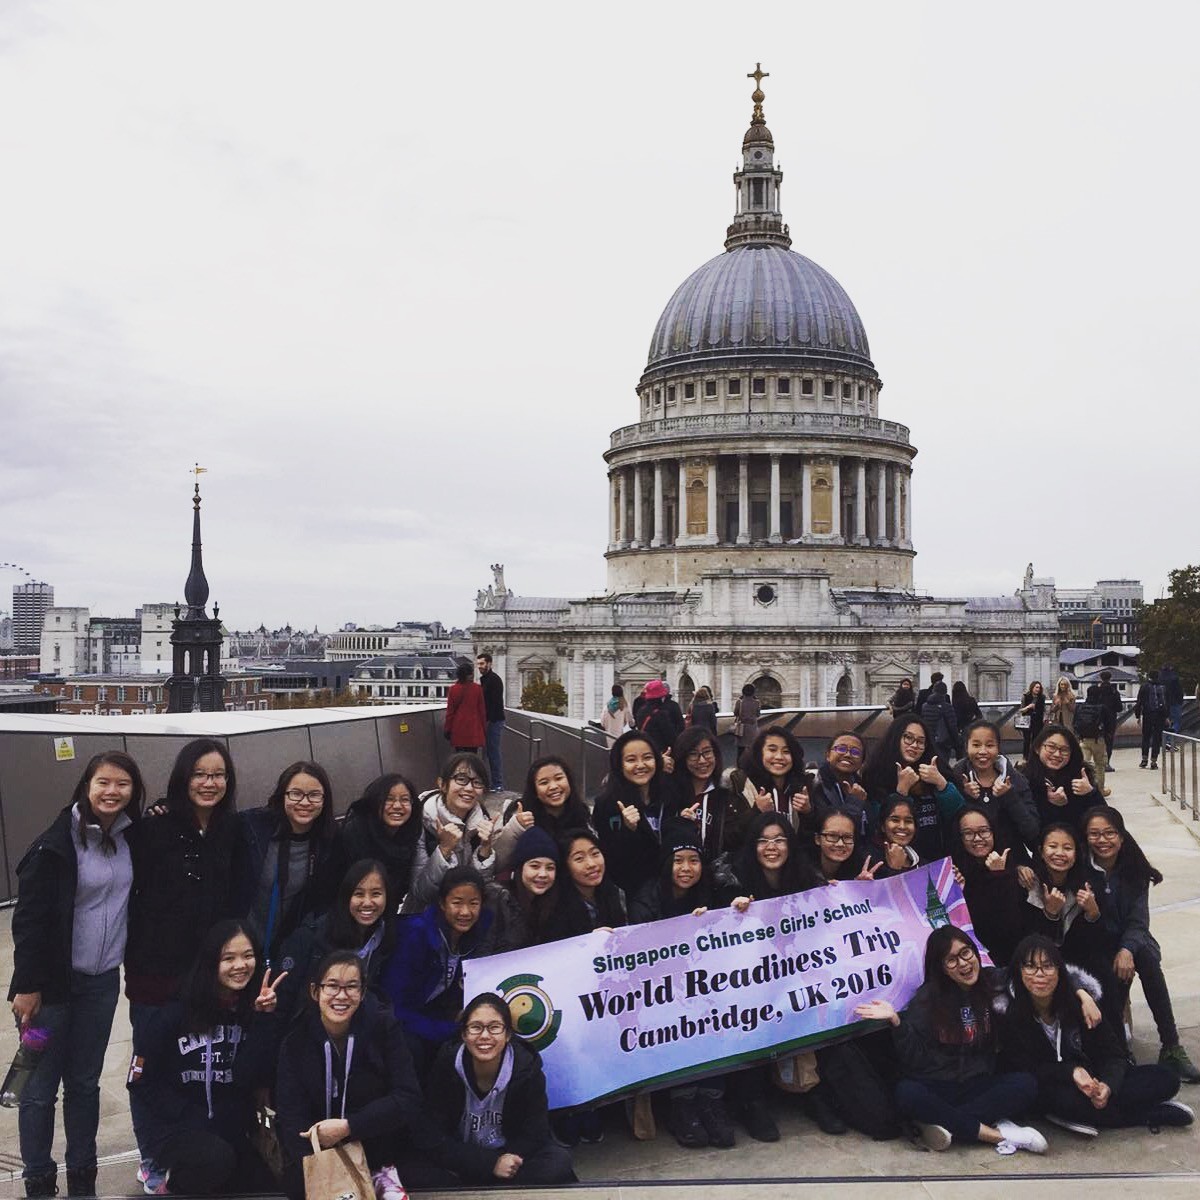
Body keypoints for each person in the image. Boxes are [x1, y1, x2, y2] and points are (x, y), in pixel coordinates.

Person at [9, 752, 145, 1199]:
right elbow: (28, 921)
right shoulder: (56, 843)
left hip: (100, 984)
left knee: (84, 1084)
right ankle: (38, 1181)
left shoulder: (129, 838)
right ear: (86, 786)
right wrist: (27, 987)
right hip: (49, 989)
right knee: (37, 1089)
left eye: (122, 784)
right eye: (103, 782)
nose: (112, 792)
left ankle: (82, 1180)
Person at [125, 739, 240, 1194]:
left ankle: (191, 1139)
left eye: (218, 775)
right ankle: (153, 1153)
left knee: (196, 1057)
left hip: (208, 972)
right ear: (183, 778)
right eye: (200, 774)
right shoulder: (154, 828)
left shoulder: (233, 829)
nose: (209, 783)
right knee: (149, 1065)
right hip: (155, 971)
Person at [854, 926, 1045, 1154]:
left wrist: (1082, 992)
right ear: (941, 967)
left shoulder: (993, 982)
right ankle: (996, 1135)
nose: (963, 964)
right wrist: (896, 1022)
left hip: (978, 1083)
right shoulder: (926, 1001)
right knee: (907, 1094)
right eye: (951, 960)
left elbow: (1036, 977)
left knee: (1026, 1085)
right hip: (937, 1085)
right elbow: (914, 1060)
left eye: (966, 953)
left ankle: (941, 1124)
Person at [127, 921, 282, 1196]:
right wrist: (185, 1113)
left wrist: (264, 1019)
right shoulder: (175, 1011)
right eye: (229, 958)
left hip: (227, 1128)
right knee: (215, 1160)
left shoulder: (250, 1009)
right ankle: (169, 1188)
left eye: (248, 956)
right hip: (175, 1128)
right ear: (212, 962)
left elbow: (249, 1076)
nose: (240, 965)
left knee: (270, 1188)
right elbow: (139, 1080)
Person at [276, 950, 432, 1200]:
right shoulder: (296, 1042)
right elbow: (290, 1115)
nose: (341, 995)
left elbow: (408, 1098)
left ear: (362, 993)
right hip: (318, 1159)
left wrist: (350, 1127)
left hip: (377, 1155)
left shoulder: (384, 1029)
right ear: (316, 992)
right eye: (332, 986)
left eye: (351, 987)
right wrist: (319, 1165)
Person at [998, 935, 1192, 1134]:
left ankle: (1090, 1114)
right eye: (1030, 967)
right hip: (1057, 1087)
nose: (1040, 975)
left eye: (1048, 966)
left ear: (1059, 971)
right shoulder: (1014, 1015)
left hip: (1094, 1080)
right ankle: (1152, 1114)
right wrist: (1072, 1072)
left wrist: (1107, 1086)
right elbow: (1026, 1068)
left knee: (1166, 1078)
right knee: (1058, 1099)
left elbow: (1115, 1055)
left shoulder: (1081, 1006)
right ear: (1019, 972)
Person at [627, 833, 737, 1150]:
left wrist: (735, 913)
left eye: (693, 860)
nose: (686, 868)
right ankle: (683, 1104)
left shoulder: (711, 893)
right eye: (678, 861)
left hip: (706, 987)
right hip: (662, 992)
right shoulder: (647, 897)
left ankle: (711, 1102)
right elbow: (640, 950)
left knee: (716, 1016)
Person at [1081, 806, 1200, 1083]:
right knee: (1114, 972)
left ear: (1122, 837)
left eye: (1109, 833)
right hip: (1094, 942)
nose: (1103, 840)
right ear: (1085, 838)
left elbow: (1138, 921)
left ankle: (1171, 1045)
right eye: (1095, 834)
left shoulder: (1134, 869)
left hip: (1127, 942)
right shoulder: (1082, 870)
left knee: (1144, 955)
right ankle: (1118, 1051)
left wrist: (1126, 949)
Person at [423, 994, 576, 1185]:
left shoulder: (526, 1067)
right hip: (463, 1158)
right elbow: (433, 1134)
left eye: (494, 1027)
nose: (485, 1036)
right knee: (412, 1169)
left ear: (508, 1035)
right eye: (475, 1027)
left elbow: (535, 1132)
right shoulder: (447, 1063)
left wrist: (505, 1160)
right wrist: (488, 1164)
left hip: (509, 1159)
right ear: (464, 1034)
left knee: (557, 1161)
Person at [385, 866, 495, 1077]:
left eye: (474, 903)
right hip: (400, 1021)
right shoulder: (415, 935)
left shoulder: (477, 936)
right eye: (457, 903)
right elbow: (394, 1006)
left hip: (434, 1018)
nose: (465, 912)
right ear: (442, 904)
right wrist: (449, 1030)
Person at [235, 760, 340, 968]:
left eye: (314, 795)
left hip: (284, 950)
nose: (305, 802)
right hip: (239, 944)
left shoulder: (328, 841)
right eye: (296, 793)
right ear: (282, 795)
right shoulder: (253, 827)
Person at [273, 859, 397, 1024]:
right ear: (346, 897)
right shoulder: (312, 936)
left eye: (376, 894)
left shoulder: (388, 937)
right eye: (359, 894)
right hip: (305, 1031)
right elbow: (282, 1003)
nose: (367, 902)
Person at [403, 753, 497, 914]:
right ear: (443, 784)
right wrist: (444, 850)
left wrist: (485, 849)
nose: (469, 788)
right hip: (425, 921)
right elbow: (421, 893)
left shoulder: (483, 822)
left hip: (465, 918)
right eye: (461, 779)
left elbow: (480, 888)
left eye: (477, 782)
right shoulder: (422, 821)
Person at [1022, 824, 1111, 993]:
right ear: (1041, 851)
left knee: (1103, 970)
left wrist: (1093, 913)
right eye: (1052, 846)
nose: (1060, 853)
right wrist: (1050, 914)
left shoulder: (1088, 886)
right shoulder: (1029, 885)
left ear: (1077, 854)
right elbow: (1028, 941)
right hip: (1039, 966)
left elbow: (1096, 943)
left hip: (1079, 962)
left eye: (1068, 848)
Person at [862, 716, 965, 862]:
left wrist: (941, 783)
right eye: (908, 738)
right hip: (896, 860)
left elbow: (958, 813)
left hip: (937, 858)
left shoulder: (934, 768)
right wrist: (901, 792)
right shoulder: (877, 774)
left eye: (921, 742)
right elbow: (878, 822)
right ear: (896, 738)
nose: (914, 745)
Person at [951, 720, 1040, 878]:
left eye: (990, 745)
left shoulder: (1016, 780)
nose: (983, 751)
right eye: (976, 745)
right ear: (966, 747)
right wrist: (964, 796)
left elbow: (1031, 832)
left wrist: (1010, 797)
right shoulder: (956, 778)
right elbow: (951, 829)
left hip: (1011, 867)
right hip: (968, 870)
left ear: (998, 748)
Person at [950, 808, 1029, 968]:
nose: (977, 838)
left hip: (1013, 959)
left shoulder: (1012, 865)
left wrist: (999, 875)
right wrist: (960, 892)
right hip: (974, 962)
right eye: (968, 833)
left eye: (984, 831)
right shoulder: (954, 872)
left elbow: (1012, 926)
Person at [590, 730, 665, 893]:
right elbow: (608, 857)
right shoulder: (607, 803)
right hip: (632, 895)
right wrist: (628, 830)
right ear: (619, 765)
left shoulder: (669, 793)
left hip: (667, 890)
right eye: (631, 760)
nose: (640, 765)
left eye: (647, 757)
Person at [336, 774, 422, 910]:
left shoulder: (411, 835)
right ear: (375, 802)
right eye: (389, 799)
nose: (398, 806)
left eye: (405, 800)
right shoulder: (354, 834)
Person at [665, 726, 742, 861]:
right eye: (693, 754)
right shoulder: (670, 792)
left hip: (712, 873)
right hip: (680, 873)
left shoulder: (725, 796)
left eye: (707, 752)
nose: (702, 761)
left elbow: (732, 839)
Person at [541, 829, 627, 944]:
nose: (591, 864)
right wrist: (587, 943)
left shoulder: (615, 893)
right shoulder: (552, 906)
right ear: (565, 867)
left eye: (595, 854)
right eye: (579, 859)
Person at [488, 828, 561, 950]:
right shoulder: (497, 899)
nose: (543, 874)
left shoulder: (556, 902)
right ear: (520, 868)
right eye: (534, 866)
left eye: (550, 868)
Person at [728, 725, 812, 830]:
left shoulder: (804, 788)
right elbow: (730, 838)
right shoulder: (741, 785)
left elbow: (814, 837)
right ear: (759, 753)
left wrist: (808, 813)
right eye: (772, 750)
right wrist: (756, 811)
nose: (779, 757)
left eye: (786, 752)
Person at [1022, 725, 1099, 830]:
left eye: (1064, 750)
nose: (1057, 754)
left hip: (1076, 841)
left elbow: (1105, 819)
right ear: (1037, 748)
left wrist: (1091, 793)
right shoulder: (1024, 778)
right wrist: (1052, 805)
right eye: (1051, 747)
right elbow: (1028, 827)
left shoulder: (1081, 777)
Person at [805, 731, 867, 836]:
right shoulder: (812, 784)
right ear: (828, 755)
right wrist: (854, 804)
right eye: (841, 749)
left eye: (855, 752)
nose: (847, 755)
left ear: (862, 762)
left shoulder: (865, 789)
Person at [811, 809, 876, 882]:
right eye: (832, 836)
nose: (840, 844)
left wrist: (857, 886)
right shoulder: (800, 868)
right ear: (817, 839)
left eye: (847, 837)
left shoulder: (861, 867)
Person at [476, 652, 506, 791]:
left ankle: (497, 783)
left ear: (489, 663)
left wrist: (488, 720)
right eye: (478, 664)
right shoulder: (488, 679)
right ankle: (494, 782)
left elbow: (493, 704)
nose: (479, 667)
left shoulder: (493, 680)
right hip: (490, 720)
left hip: (493, 721)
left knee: (493, 752)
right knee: (490, 752)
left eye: (482, 664)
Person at [1074, 687, 1110, 798]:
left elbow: (1074, 722)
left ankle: (1083, 787)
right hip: (1098, 740)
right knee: (1100, 765)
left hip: (1083, 739)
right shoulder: (1102, 708)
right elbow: (1109, 724)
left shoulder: (1080, 707)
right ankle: (1100, 790)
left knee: (1084, 765)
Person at [444, 662, 487, 753]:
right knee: (472, 758)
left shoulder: (453, 689)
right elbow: (482, 712)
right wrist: (484, 729)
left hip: (458, 729)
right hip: (473, 729)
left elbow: (450, 713)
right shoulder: (477, 689)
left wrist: (448, 729)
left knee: (460, 758)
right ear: (469, 675)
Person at [636, 678, 684, 754]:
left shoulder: (641, 711)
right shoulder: (661, 714)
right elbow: (670, 737)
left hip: (646, 749)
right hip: (660, 751)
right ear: (661, 697)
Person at [920, 680, 961, 763]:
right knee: (943, 765)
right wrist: (957, 742)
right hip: (943, 741)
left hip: (929, 739)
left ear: (933, 690)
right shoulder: (947, 707)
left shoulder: (924, 706)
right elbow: (952, 726)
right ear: (945, 692)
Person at [1134, 670, 1168, 770]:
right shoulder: (1163, 687)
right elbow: (1167, 703)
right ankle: (1154, 761)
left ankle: (1144, 760)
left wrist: (1138, 716)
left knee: (1146, 737)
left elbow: (1139, 702)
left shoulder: (1144, 687)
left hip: (1148, 714)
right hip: (1160, 715)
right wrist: (1166, 716)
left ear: (1149, 676)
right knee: (1157, 738)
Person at [1097, 670, 1123, 770]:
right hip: (1111, 719)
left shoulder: (1097, 690)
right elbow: (1119, 708)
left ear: (1101, 678)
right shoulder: (1114, 691)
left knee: (1098, 741)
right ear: (1110, 678)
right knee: (1109, 741)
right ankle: (1106, 763)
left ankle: (1098, 762)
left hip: (1098, 719)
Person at [1018, 681, 1046, 763]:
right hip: (1027, 720)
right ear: (1032, 687)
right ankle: (1025, 756)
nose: (1038, 689)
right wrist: (1028, 707)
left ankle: (1034, 756)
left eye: (1039, 688)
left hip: (1038, 721)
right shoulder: (1026, 696)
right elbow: (1021, 710)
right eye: (1036, 687)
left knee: (1036, 739)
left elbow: (1043, 709)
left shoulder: (1042, 697)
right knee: (1027, 739)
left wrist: (1045, 717)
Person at [732, 684, 761, 758]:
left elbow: (735, 713)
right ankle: (750, 765)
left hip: (742, 728)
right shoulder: (757, 702)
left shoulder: (739, 702)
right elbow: (758, 714)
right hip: (752, 728)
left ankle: (739, 766)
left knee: (740, 749)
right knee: (752, 748)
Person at [1161, 664, 1184, 739]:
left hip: (1163, 704)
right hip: (1174, 703)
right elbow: (1179, 691)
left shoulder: (1159, 678)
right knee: (1176, 721)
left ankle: (1165, 741)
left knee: (1166, 722)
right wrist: (1180, 701)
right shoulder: (1174, 678)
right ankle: (1169, 740)